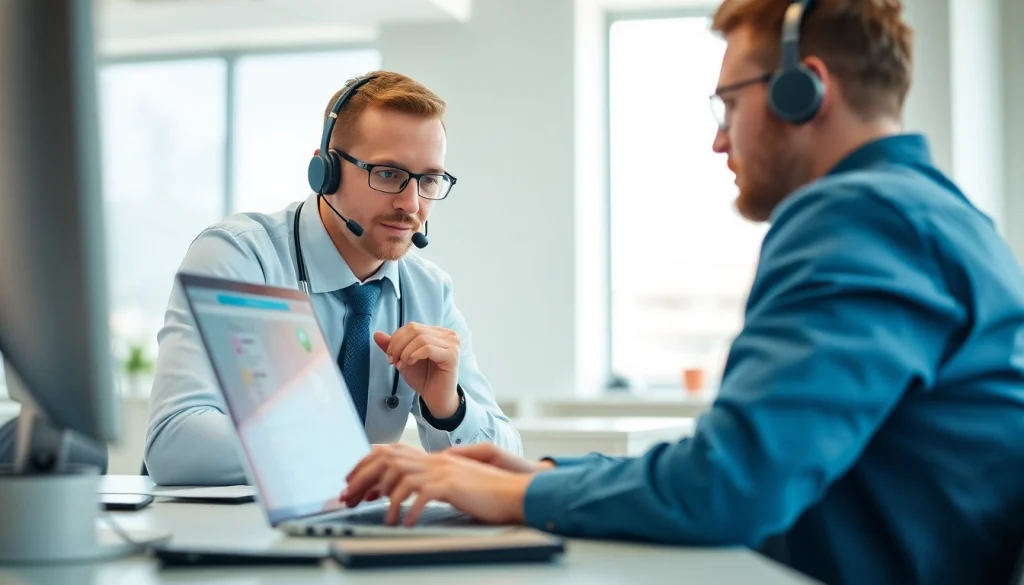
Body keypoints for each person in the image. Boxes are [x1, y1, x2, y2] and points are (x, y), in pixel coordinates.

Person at [338, 1, 1024, 584]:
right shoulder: (938, 216)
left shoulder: (859, 219)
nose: (719, 138)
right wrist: (542, 469)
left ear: (804, 91)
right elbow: (741, 460)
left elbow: (730, 488)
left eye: (729, 103)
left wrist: (519, 491)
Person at [145, 71, 522, 486]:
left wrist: (447, 406)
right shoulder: (241, 259)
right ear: (324, 171)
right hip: (238, 535)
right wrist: (357, 456)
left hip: (357, 531)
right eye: (388, 174)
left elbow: (504, 464)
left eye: (429, 179)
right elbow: (174, 444)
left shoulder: (428, 290)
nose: (411, 203)